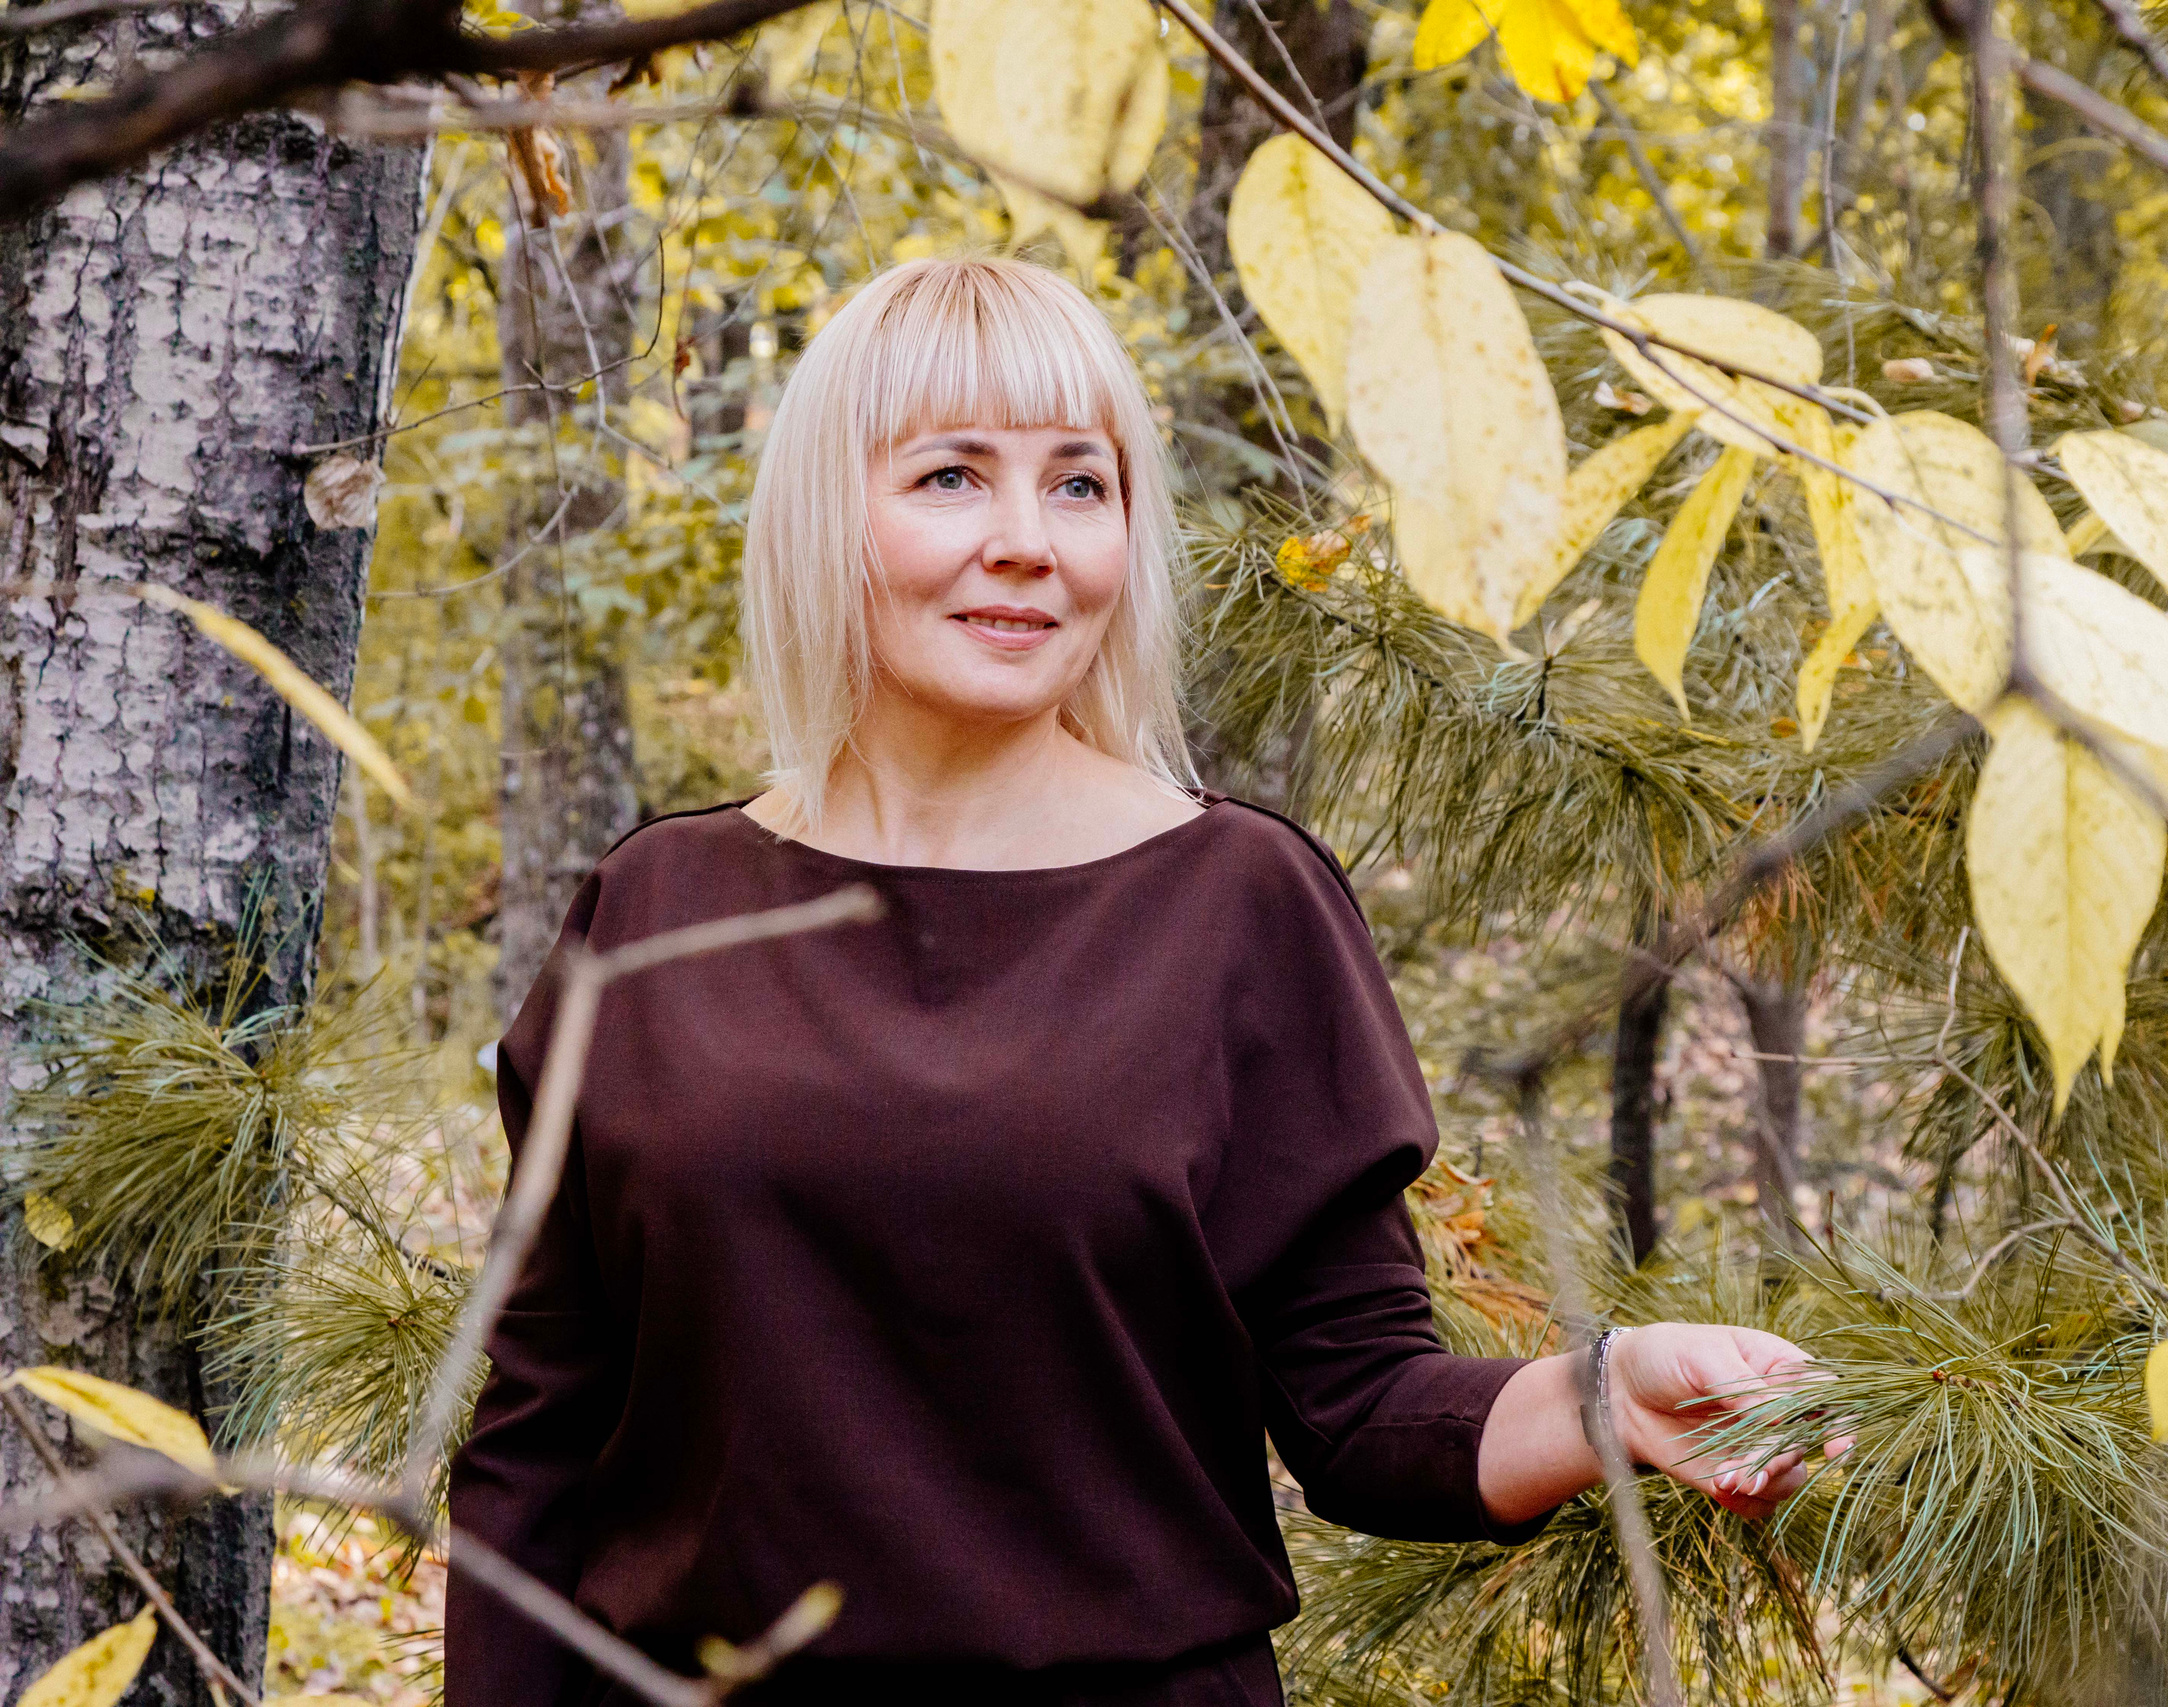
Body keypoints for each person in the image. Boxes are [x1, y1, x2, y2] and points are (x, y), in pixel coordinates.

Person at [445, 255, 1841, 1707]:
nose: (1026, 543)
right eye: (948, 478)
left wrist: (1605, 1391)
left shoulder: (1239, 907)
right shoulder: (659, 908)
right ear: (824, 514)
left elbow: (1361, 1408)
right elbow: (537, 1449)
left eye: (1078, 484)